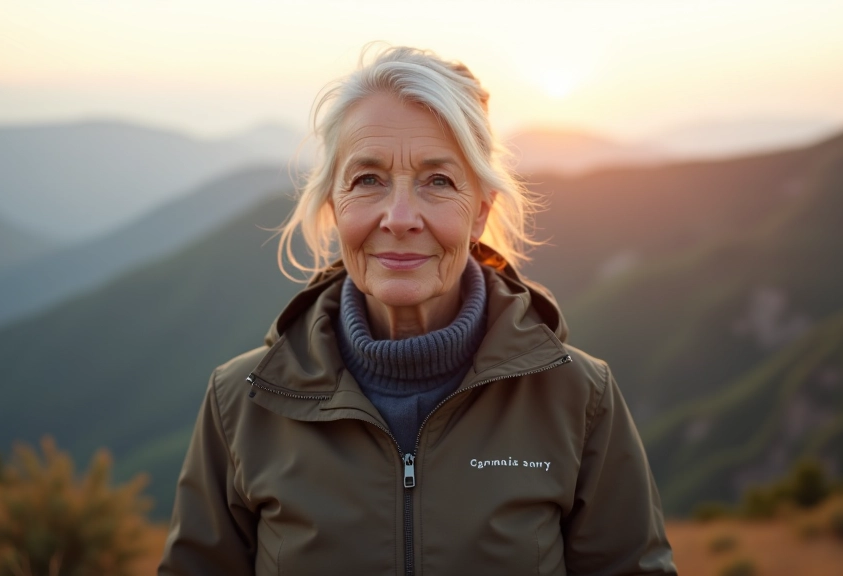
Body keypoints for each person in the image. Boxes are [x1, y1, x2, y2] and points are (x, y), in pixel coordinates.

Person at [158, 45, 676, 576]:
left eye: (438, 181)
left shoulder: (578, 398)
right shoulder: (241, 403)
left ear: (479, 212)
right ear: (334, 207)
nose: (400, 217)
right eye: (368, 179)